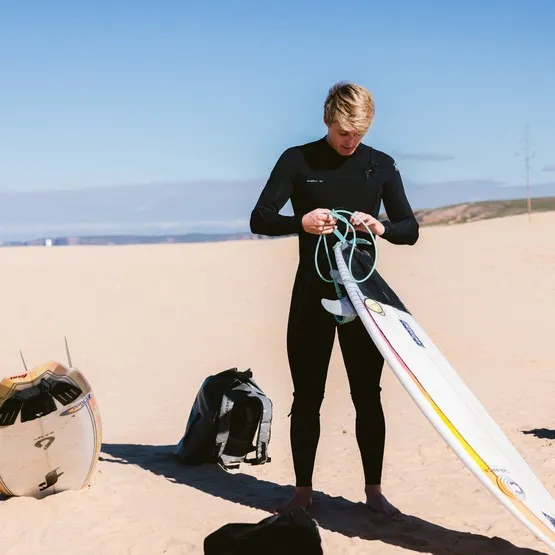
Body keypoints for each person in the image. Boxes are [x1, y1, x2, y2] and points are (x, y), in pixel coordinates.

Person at [249, 81, 419, 516]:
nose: (351, 142)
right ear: (328, 120)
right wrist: (300, 222)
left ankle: (374, 492)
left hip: (364, 300)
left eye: (359, 133)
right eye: (344, 132)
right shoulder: (297, 160)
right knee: (308, 396)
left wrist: (380, 227)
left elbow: (410, 229)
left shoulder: (381, 165)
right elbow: (260, 218)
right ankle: (302, 492)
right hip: (311, 296)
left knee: (368, 395)